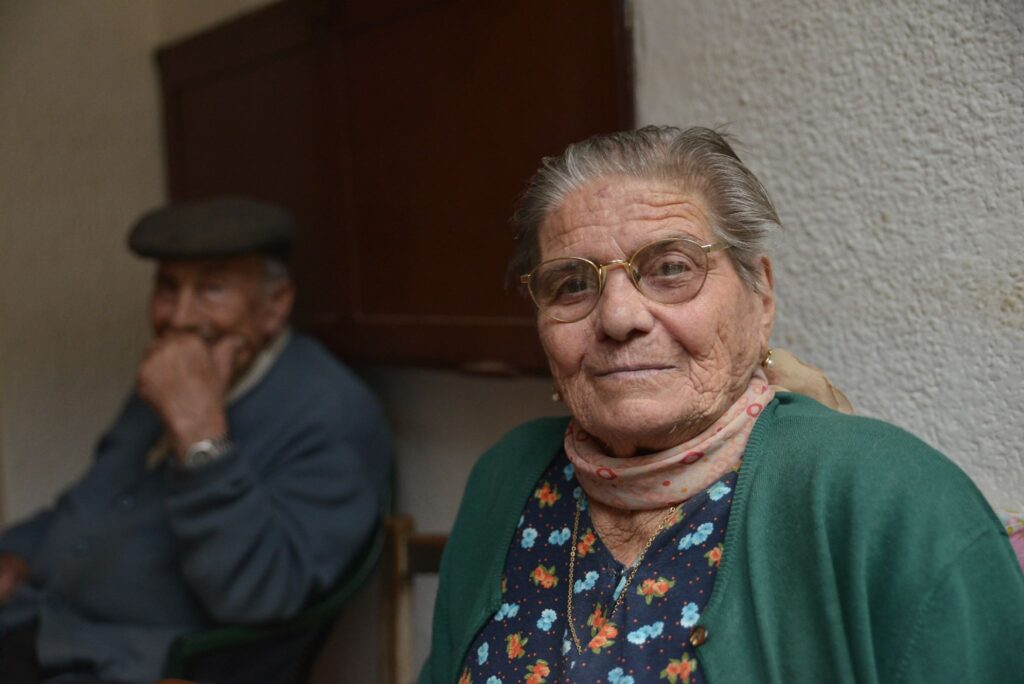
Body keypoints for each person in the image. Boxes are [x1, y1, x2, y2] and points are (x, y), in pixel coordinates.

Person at [420, 127, 1024, 682]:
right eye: (572, 284)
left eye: (671, 268)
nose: (619, 317)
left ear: (759, 296)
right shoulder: (506, 478)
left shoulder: (893, 498)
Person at [0, 197, 392, 683]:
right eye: (168, 287)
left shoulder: (332, 413)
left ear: (275, 304)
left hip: (138, 665)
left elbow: (260, 594)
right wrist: (16, 550)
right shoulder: (174, 372)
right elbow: (93, 505)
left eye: (211, 289)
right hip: (40, 630)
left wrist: (200, 435)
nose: (180, 317)